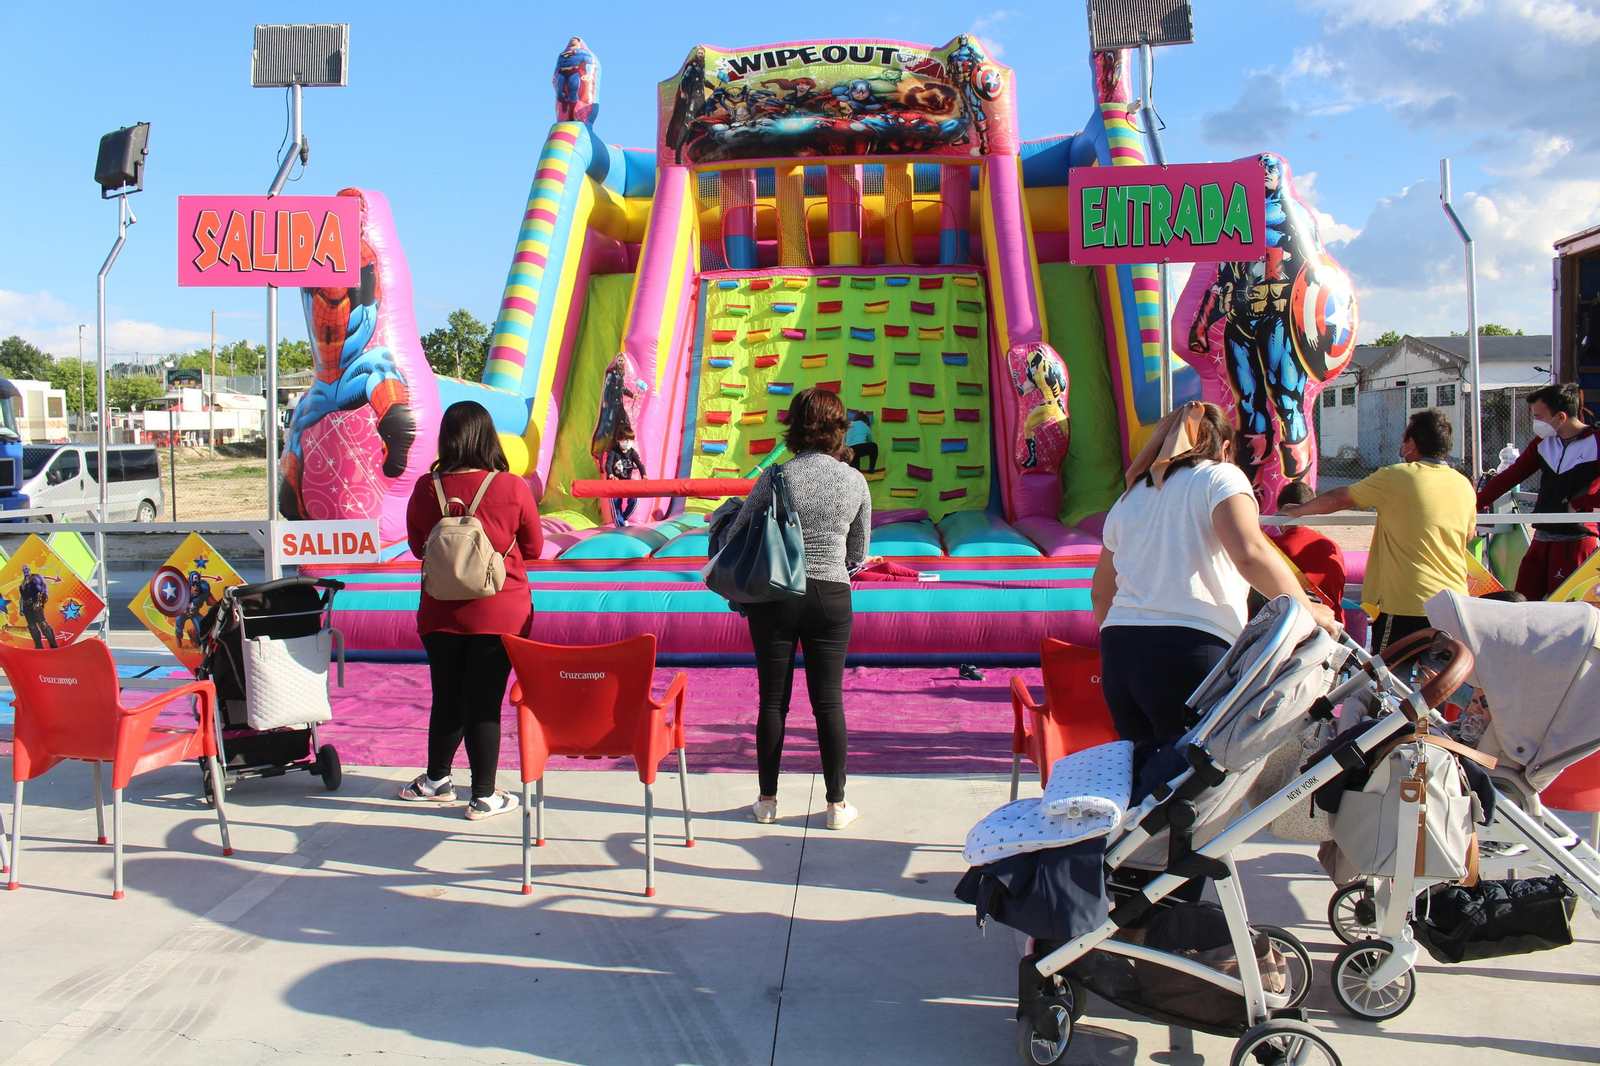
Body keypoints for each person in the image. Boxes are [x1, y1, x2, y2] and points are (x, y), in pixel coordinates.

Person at [1092, 402, 1338, 755]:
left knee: (1136, 782)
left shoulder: (1131, 497)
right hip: (1189, 647)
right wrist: (1307, 609)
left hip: (1120, 652)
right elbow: (1250, 553)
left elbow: (1101, 593)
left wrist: (1126, 641)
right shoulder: (1220, 476)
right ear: (1225, 447)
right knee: (1192, 783)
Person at [724, 388, 872, 831]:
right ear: (839, 428)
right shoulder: (855, 480)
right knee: (829, 703)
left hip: (776, 595)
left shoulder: (775, 477)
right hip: (830, 595)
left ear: (795, 426)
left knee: (773, 702)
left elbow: (736, 533)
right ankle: (836, 805)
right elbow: (859, 551)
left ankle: (767, 801)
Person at [400, 401, 544, 820]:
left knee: (446, 697)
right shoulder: (511, 486)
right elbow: (533, 548)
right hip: (500, 614)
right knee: (484, 703)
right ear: (488, 436)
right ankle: (483, 794)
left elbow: (416, 547)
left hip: (439, 614)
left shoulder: (427, 487)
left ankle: (437, 780)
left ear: (447, 438)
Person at [1280, 408, 1475, 652]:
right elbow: (1467, 536)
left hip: (1409, 602)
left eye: (1404, 440)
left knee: (1387, 678)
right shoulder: (1463, 484)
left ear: (1412, 444)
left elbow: (1340, 498)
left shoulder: (1396, 476)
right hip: (1454, 604)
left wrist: (1298, 511)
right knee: (1443, 679)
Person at [1475, 383, 1599, 600]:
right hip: (1541, 537)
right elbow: (1510, 476)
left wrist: (1579, 504)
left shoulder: (1596, 441)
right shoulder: (1543, 443)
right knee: (1522, 602)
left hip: (1577, 540)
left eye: (1539, 416)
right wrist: (1474, 504)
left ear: (1560, 417)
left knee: (1566, 611)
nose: (1535, 422)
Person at [1267, 480, 1346, 627]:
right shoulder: (1332, 547)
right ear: (1313, 511)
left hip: (1286, 631)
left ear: (1279, 513)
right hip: (1332, 630)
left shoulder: (1270, 550)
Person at [604, 415, 646, 526]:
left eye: (630, 440)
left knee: (635, 500)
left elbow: (639, 464)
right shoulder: (614, 451)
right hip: (614, 483)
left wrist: (644, 475)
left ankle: (625, 517)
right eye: (625, 440)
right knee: (616, 505)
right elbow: (608, 464)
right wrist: (611, 474)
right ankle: (620, 526)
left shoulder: (632, 452)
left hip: (627, 483)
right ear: (618, 440)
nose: (628, 442)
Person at [18, 565, 57, 650]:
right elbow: (22, 597)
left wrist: (41, 602)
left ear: (29, 569)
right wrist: (21, 608)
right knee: (32, 627)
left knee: (43, 625)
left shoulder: (35, 578)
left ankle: (53, 646)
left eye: (26, 569)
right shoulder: (22, 583)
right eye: (23, 569)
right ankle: (39, 647)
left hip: (35, 604)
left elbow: (44, 589)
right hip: (26, 607)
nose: (25, 571)